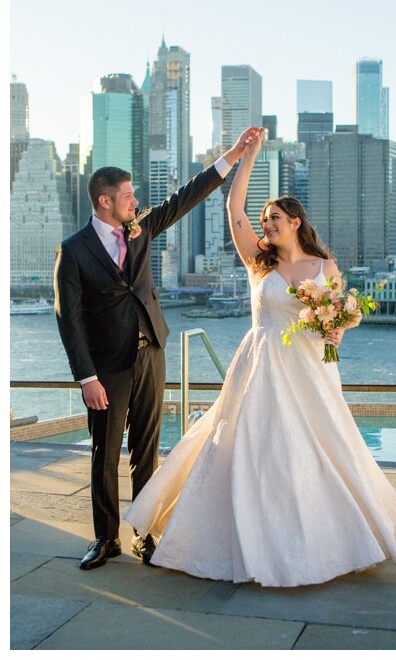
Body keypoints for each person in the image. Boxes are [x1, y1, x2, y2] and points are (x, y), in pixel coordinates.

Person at [123, 127, 396, 587]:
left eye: (274, 218)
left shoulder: (324, 267)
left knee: (313, 450)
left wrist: (337, 327)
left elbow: (335, 326)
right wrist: (246, 155)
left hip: (310, 371)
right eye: (265, 219)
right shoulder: (259, 261)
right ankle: (239, 537)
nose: (267, 224)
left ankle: (323, 539)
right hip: (258, 368)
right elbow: (234, 208)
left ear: (296, 221)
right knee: (252, 449)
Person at [54, 127, 253, 570]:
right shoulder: (72, 251)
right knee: (104, 454)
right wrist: (87, 378)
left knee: (148, 451)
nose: (133, 199)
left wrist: (235, 154)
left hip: (151, 354)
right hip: (105, 369)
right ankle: (106, 539)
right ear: (104, 200)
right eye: (126, 194)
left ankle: (147, 533)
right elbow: (69, 319)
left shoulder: (140, 227)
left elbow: (186, 197)